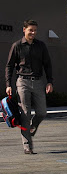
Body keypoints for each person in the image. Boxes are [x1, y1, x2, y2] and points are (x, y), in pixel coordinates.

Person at [5, 20, 53, 154]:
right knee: (25, 113)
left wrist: (50, 81)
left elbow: (47, 64)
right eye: (31, 30)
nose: (33, 33)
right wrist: (8, 84)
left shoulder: (41, 46)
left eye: (35, 30)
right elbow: (9, 66)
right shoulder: (17, 46)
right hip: (22, 82)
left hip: (38, 82)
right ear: (24, 30)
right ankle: (27, 146)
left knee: (42, 112)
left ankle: (32, 126)